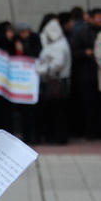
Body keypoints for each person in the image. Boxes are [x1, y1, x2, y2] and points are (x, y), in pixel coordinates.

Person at [69, 7, 101, 139]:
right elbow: (74, 52)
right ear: (90, 18)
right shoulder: (81, 32)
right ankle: (90, 131)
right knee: (88, 105)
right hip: (87, 75)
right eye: (99, 17)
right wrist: (85, 53)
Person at [35, 16, 71, 145]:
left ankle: (57, 137)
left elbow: (58, 63)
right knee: (59, 112)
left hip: (55, 81)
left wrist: (42, 70)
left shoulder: (57, 45)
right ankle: (59, 137)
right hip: (59, 81)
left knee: (56, 112)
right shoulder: (62, 42)